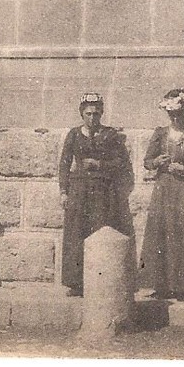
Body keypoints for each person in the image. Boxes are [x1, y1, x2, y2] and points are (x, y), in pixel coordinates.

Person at [58, 93, 132, 296]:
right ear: (82, 114)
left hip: (102, 191)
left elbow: (121, 163)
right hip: (78, 190)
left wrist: (100, 164)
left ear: (101, 113)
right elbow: (64, 164)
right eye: (88, 114)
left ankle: (99, 280)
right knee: (76, 233)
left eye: (96, 114)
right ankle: (76, 283)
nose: (92, 118)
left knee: (98, 231)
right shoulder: (74, 134)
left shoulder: (110, 135)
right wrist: (64, 191)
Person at [140, 87, 184, 300]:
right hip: (164, 189)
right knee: (162, 233)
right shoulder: (160, 134)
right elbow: (147, 161)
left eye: (179, 114)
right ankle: (161, 285)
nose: (175, 118)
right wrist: (156, 162)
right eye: (172, 115)